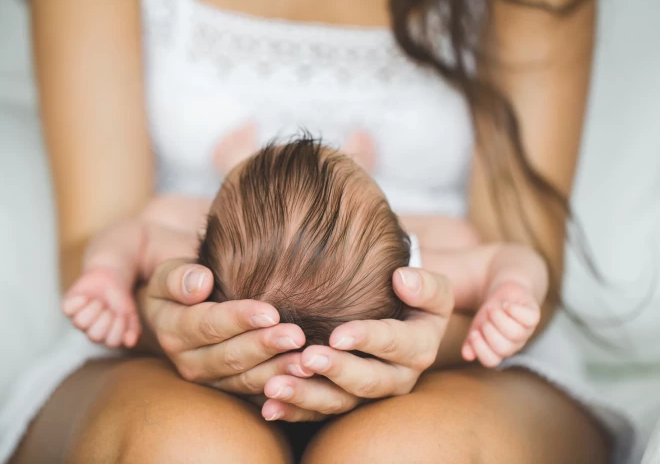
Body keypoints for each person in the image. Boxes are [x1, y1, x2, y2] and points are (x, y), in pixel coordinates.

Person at [7, 0, 624, 463]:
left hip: (452, 356)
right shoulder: (429, 250)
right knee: (186, 446)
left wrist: (445, 334)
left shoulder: (182, 233)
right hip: (161, 347)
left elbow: (518, 264)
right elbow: (506, 265)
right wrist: (148, 311)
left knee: (398, 453)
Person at [63, 138, 545, 367]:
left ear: (201, 241)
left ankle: (233, 164)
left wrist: (107, 272)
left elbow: (134, 235)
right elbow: (510, 256)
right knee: (462, 236)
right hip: (393, 235)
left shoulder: (199, 273)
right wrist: (510, 291)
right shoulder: (412, 273)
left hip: (244, 223)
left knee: (162, 208)